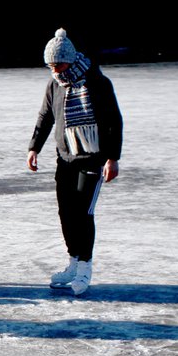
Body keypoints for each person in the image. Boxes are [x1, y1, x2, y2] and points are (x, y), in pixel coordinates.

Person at [27, 29, 123, 296]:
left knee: (83, 214)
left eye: (58, 64)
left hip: (93, 158)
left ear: (70, 58)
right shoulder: (54, 84)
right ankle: (72, 262)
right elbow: (46, 117)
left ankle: (84, 267)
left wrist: (112, 158)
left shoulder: (97, 83)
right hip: (65, 158)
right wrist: (34, 148)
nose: (54, 69)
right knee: (66, 213)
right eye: (50, 65)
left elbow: (114, 122)